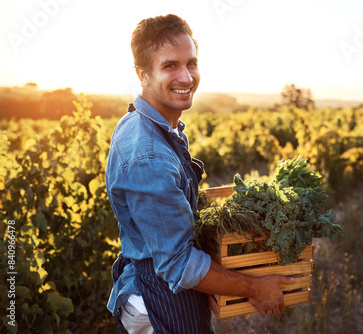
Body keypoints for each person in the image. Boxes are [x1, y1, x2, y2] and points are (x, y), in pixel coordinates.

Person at [106, 14, 294, 333]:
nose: (186, 76)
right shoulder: (149, 154)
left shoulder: (152, 124)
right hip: (159, 302)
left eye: (191, 63)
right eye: (170, 66)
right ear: (143, 74)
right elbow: (179, 265)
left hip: (158, 287)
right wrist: (254, 287)